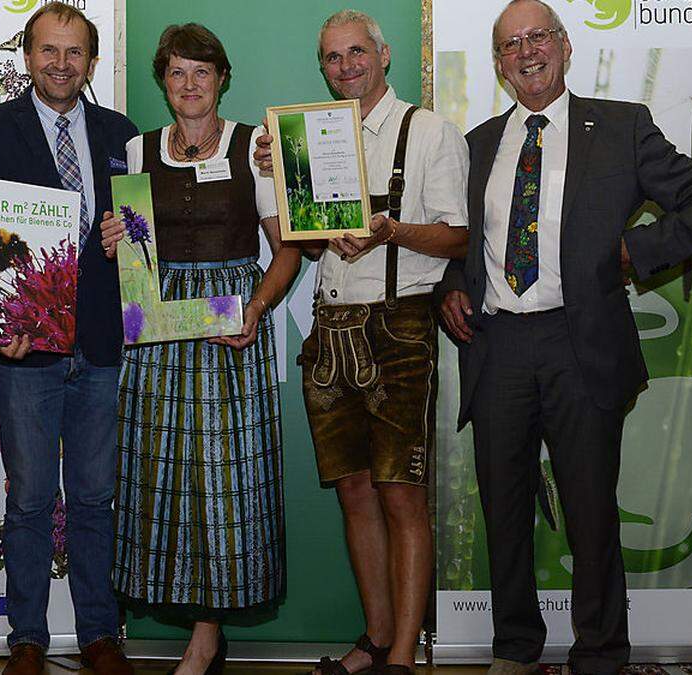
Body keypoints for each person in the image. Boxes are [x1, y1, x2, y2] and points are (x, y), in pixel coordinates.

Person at [435, 2, 692, 674]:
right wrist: (451, 287)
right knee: (505, 510)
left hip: (583, 343)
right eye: (511, 43)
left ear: (566, 47)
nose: (526, 51)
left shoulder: (622, 127)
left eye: (538, 36)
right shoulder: (479, 142)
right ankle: (514, 649)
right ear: (500, 63)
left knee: (591, 512)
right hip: (500, 347)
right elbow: (462, 243)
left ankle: (600, 654)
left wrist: (636, 249)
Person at [254, 10, 468, 675]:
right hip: (330, 323)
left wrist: (392, 231)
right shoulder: (312, 139)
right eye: (331, 57)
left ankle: (403, 654)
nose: (344, 66)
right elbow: (301, 239)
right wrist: (277, 173)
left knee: (400, 491)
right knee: (352, 489)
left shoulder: (430, 132)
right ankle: (376, 638)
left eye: (355, 53)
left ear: (385, 55)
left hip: (398, 324)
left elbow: (458, 236)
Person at [97, 23, 301, 675]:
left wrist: (257, 308)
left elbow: (288, 248)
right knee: (164, 475)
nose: (189, 85)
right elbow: (134, 251)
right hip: (156, 328)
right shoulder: (136, 150)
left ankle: (207, 635)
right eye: (177, 73)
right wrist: (117, 240)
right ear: (163, 81)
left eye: (202, 72)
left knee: (225, 479)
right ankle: (196, 627)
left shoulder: (255, 148)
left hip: (230, 327)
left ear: (222, 79)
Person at [0, 3, 138, 674]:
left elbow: (144, 236)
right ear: (26, 56)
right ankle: (27, 638)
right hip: (22, 348)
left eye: (74, 52)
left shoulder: (123, 134)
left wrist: (133, 238)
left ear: (91, 61)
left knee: (95, 497)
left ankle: (99, 633)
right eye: (48, 50)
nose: (61, 63)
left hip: (102, 344)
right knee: (30, 496)